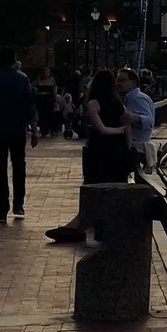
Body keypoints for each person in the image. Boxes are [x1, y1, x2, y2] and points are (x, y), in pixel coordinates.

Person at [45, 70, 134, 243]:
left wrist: (117, 131)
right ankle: (110, 228)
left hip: (99, 150)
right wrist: (126, 145)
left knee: (96, 187)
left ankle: (92, 227)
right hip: (118, 150)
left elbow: (101, 129)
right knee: (115, 188)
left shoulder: (93, 103)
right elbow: (128, 126)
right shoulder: (118, 103)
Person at [0, 47, 39, 222]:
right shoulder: (22, 79)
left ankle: (2, 208)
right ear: (14, 60)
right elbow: (30, 105)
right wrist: (34, 129)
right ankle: (18, 203)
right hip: (17, 128)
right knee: (19, 165)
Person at [117, 66, 156, 175]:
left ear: (133, 82)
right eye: (118, 80)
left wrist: (134, 118)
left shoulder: (138, 98)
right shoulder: (128, 98)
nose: (118, 83)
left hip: (137, 143)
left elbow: (149, 122)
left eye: (122, 80)